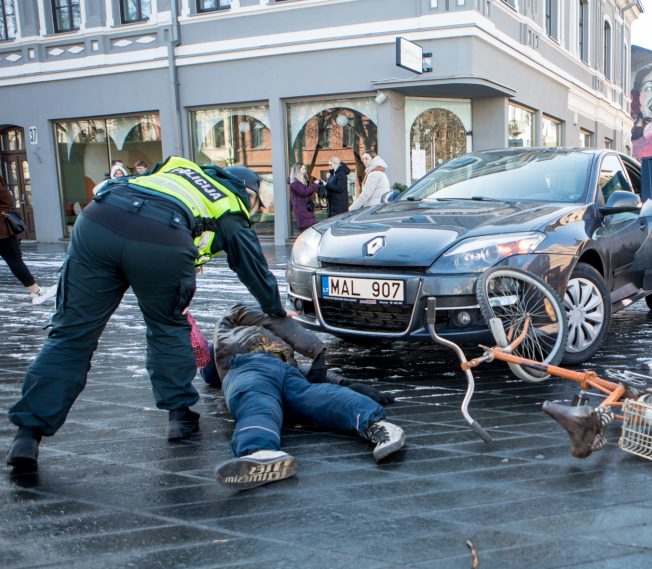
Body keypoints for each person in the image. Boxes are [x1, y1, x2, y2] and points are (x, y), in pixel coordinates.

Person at [5, 156, 287, 472]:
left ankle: (27, 435)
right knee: (167, 325)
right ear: (248, 193)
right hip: (162, 239)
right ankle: (179, 416)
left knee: (71, 334)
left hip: (98, 222)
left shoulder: (179, 170)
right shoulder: (230, 204)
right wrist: (276, 311)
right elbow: (253, 269)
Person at [191, 304, 403, 489]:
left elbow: (305, 370)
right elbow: (274, 320)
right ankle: (259, 453)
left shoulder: (247, 319)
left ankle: (375, 425)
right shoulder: (228, 336)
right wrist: (315, 349)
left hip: (287, 372)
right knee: (256, 402)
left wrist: (345, 382)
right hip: (249, 369)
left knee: (319, 395)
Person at [0, 175, 53, 305]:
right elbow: (6, 200)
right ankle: (36, 291)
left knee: (14, 259)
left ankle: (35, 290)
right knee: (14, 259)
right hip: (2, 231)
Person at [289, 162, 319, 232]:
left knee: (308, 233)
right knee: (306, 234)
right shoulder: (295, 183)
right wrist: (315, 185)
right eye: (303, 169)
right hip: (302, 212)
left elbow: (306, 192)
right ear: (298, 170)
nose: (305, 170)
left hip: (305, 211)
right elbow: (304, 192)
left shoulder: (298, 182)